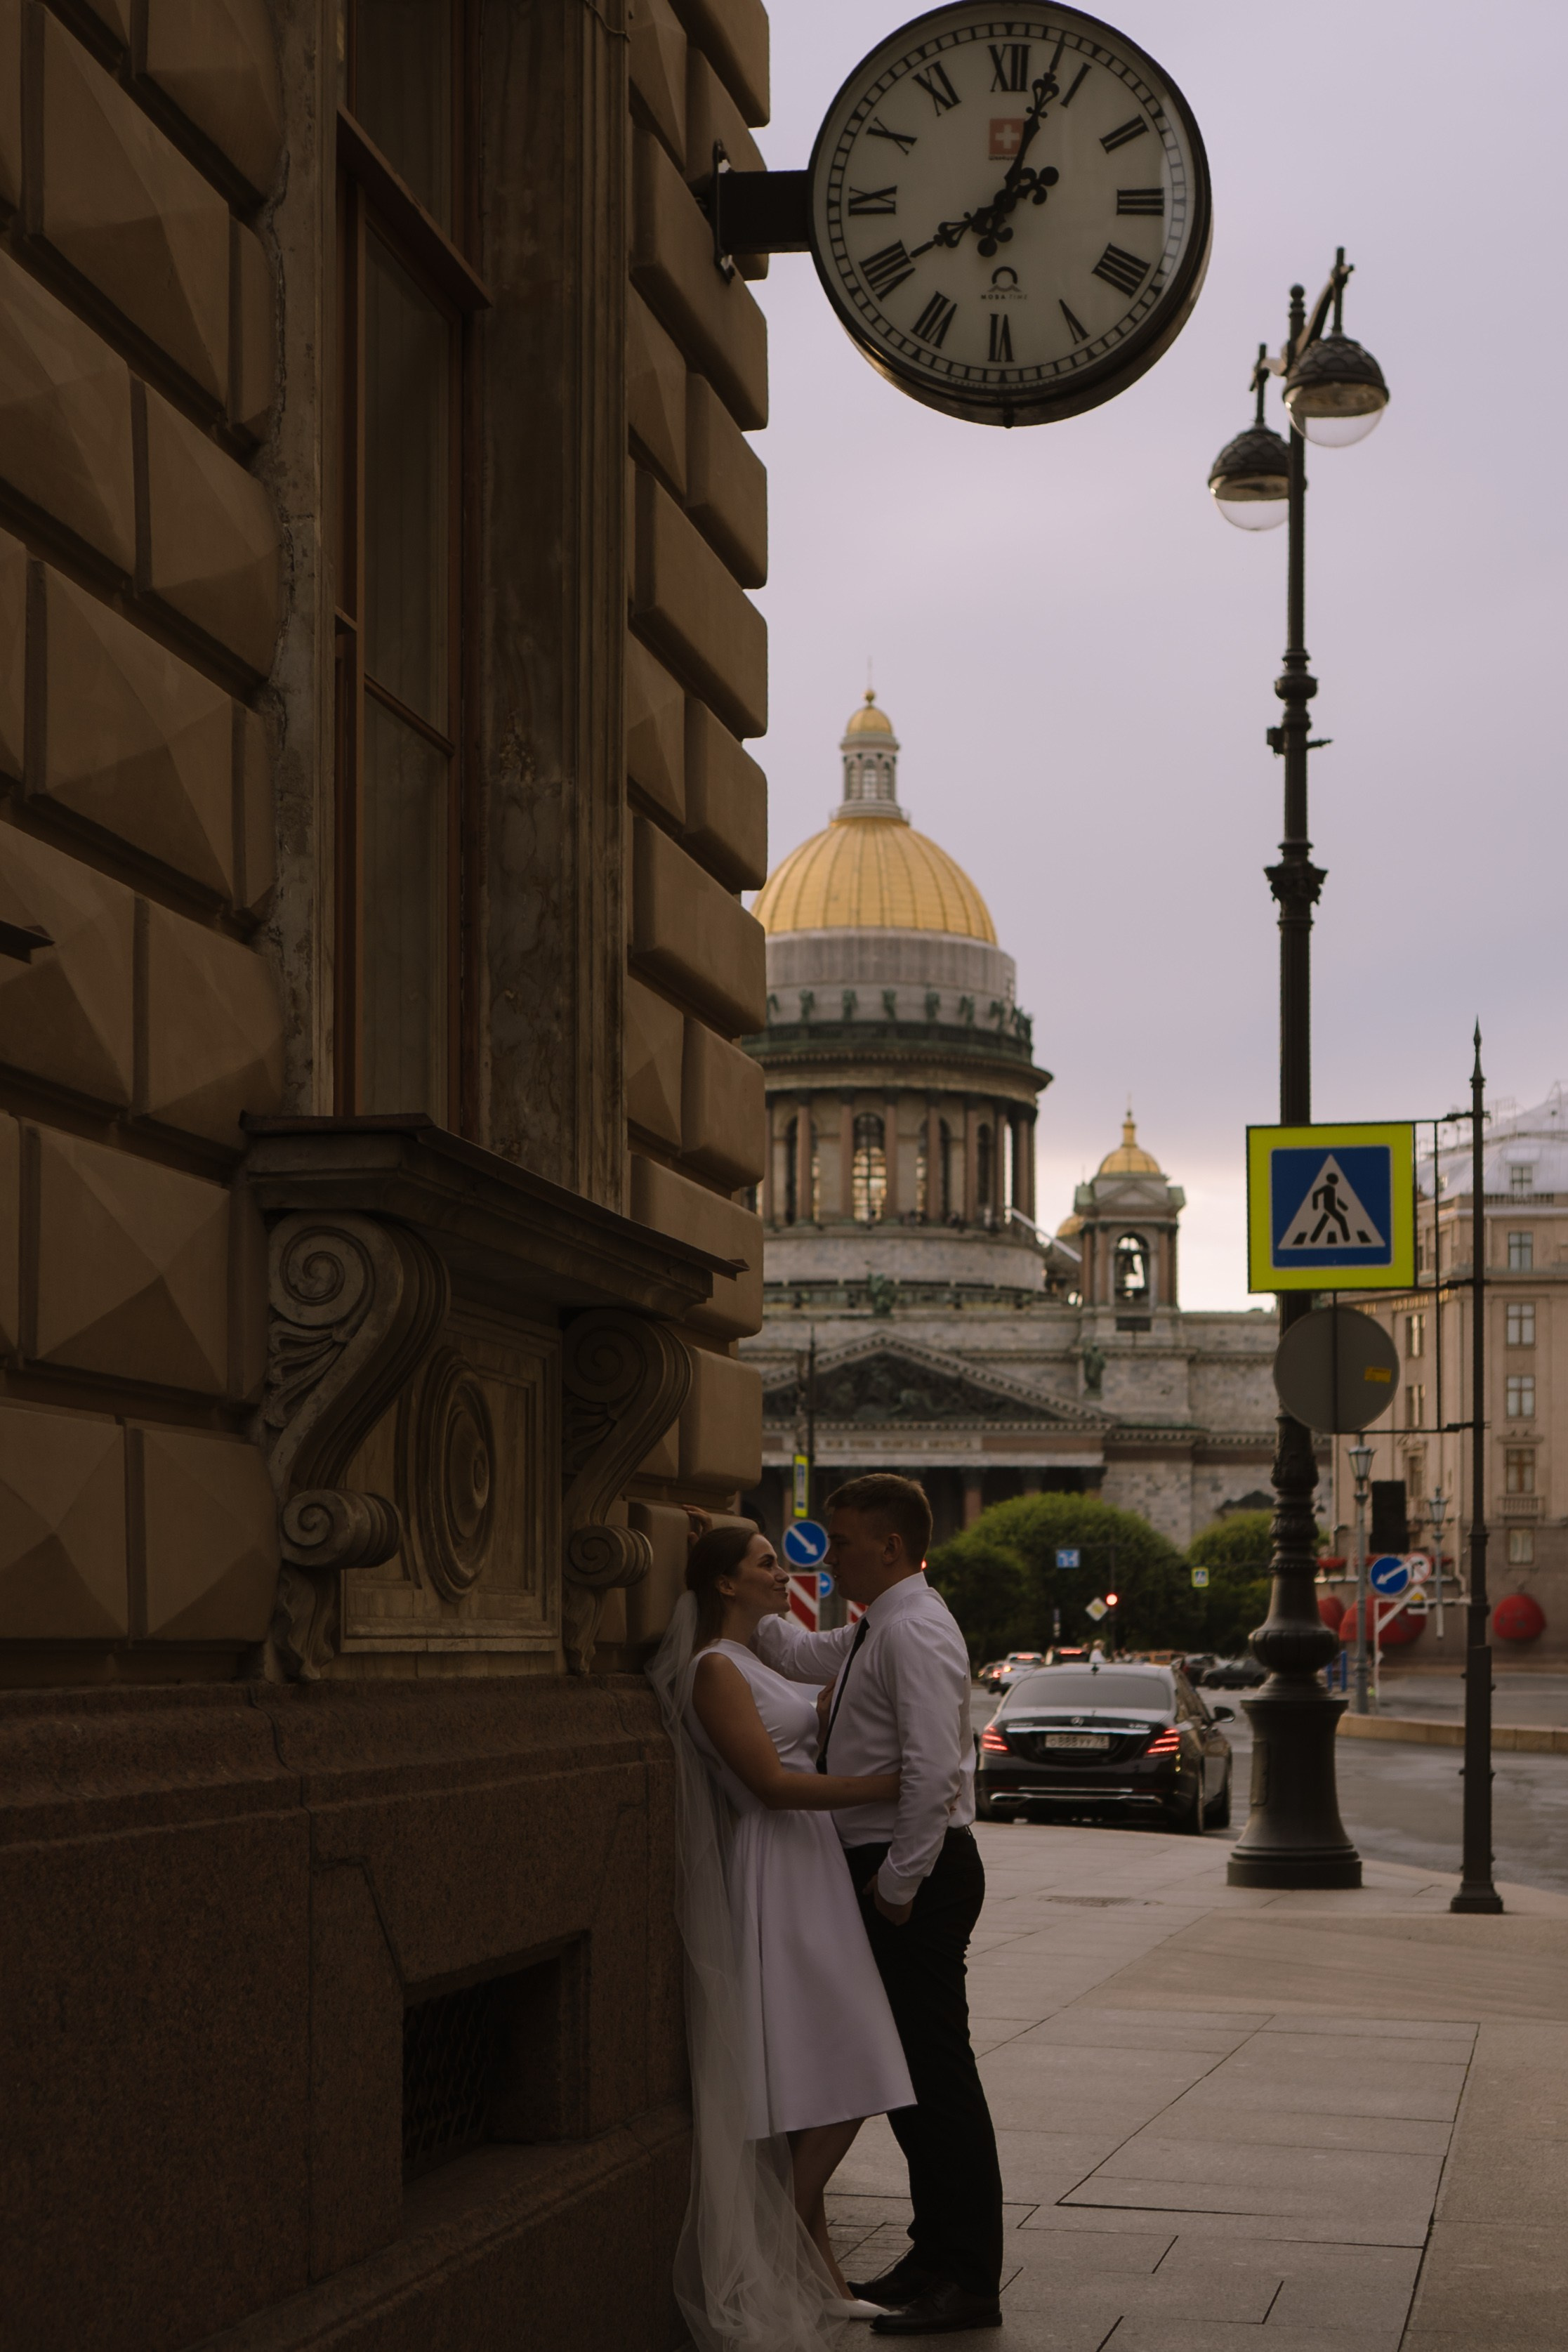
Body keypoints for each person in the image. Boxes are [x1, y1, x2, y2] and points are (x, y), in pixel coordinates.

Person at [647, 1523, 916, 2348]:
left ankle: (822, 2279)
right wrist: (892, 1786)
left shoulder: (754, 1657)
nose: (782, 1570)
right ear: (725, 1583)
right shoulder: (713, 1668)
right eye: (765, 1561)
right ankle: (781, 2232)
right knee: (861, 2063)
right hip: (779, 1864)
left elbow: (814, 1702)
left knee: (821, 2072)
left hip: (811, 1862)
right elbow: (768, 1785)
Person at [756, 1475, 1004, 2336]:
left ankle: (967, 2277)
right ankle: (933, 2258)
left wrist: (897, 1886)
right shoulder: (878, 1623)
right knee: (907, 2081)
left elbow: (932, 1770)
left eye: (843, 1542)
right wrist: (740, 1585)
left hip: (916, 1875)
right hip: (894, 1869)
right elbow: (797, 1655)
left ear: (890, 1546)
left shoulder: (914, 1627)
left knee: (935, 2079)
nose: (829, 1559)